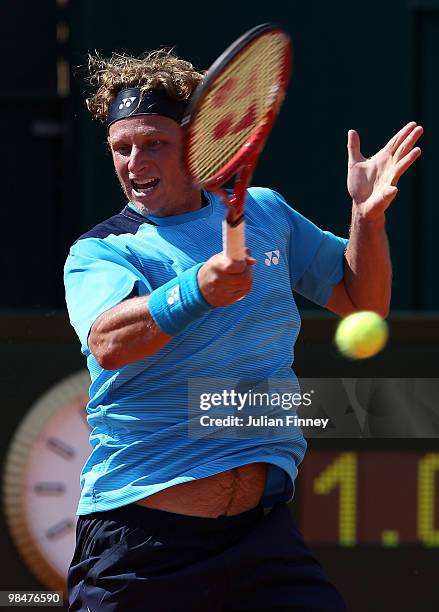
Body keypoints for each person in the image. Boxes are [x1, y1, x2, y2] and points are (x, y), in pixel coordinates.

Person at [64, 49, 423, 612]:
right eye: (121, 147)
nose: (135, 162)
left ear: (198, 140)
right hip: (143, 541)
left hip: (261, 540)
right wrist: (196, 290)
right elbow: (109, 343)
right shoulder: (102, 252)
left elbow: (364, 303)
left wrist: (366, 218)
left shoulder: (266, 213)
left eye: (154, 142)